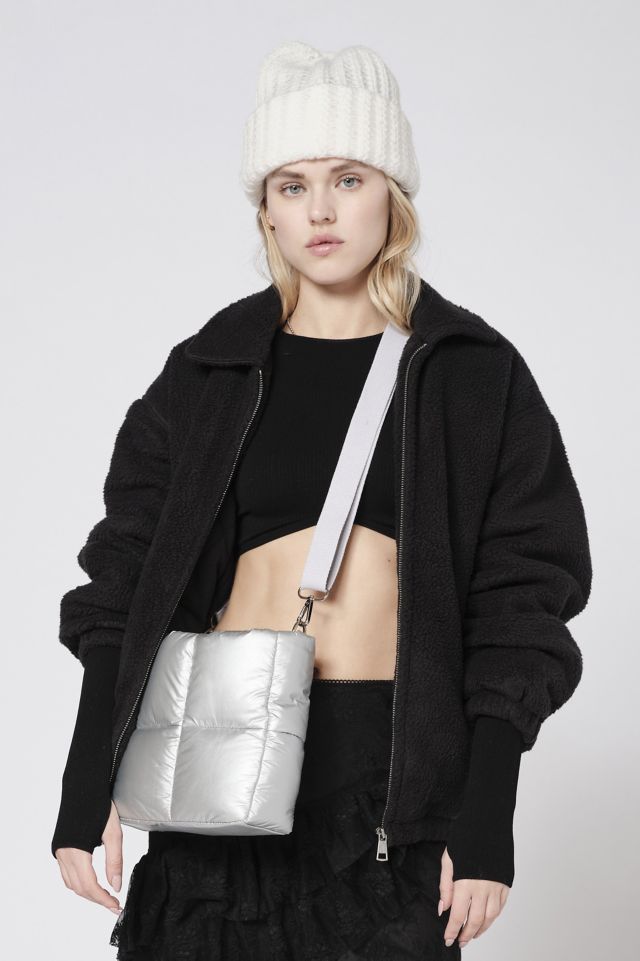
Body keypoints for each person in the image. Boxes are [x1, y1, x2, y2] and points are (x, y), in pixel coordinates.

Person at [51, 41, 592, 960]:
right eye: (292, 185)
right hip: (219, 763)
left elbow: (522, 603)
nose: (322, 210)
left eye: (348, 177)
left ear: (393, 194)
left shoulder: (473, 375)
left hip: (387, 780)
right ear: (265, 207)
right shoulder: (208, 370)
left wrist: (486, 812)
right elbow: (123, 580)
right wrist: (84, 783)